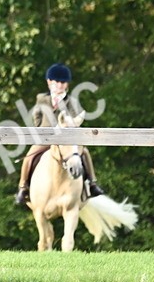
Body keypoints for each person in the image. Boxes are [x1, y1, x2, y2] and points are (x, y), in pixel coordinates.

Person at [14, 63, 106, 205]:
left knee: (85, 152)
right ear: (49, 82)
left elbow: (75, 120)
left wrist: (68, 126)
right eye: (56, 82)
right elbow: (37, 115)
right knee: (29, 156)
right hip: (46, 138)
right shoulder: (42, 99)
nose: (59, 85)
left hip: (65, 139)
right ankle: (23, 187)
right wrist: (40, 129)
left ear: (67, 84)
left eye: (63, 82)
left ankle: (92, 183)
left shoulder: (72, 101)